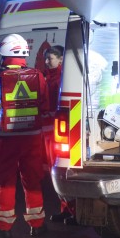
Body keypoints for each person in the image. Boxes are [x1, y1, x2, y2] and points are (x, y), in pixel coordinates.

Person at [0, 34, 50, 238]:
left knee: (5, 180)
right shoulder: (38, 75)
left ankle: (3, 227)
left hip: (5, 138)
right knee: (33, 179)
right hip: (32, 137)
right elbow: (44, 105)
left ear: (4, 55)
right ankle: (37, 225)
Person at [42, 45, 76, 225]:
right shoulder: (48, 77)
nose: (47, 62)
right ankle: (66, 209)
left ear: (62, 59)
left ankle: (74, 211)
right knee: (55, 170)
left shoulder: (63, 78)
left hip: (60, 131)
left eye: (51, 58)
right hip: (49, 130)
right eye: (46, 58)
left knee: (64, 170)